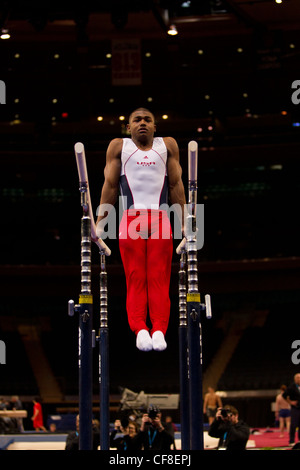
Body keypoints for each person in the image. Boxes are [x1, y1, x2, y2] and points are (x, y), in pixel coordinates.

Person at [95, 107, 186, 352]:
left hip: (160, 219)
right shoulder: (118, 147)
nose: (142, 123)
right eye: (137, 120)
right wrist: (100, 224)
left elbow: (176, 185)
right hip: (130, 220)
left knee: (159, 278)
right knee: (135, 278)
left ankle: (158, 329)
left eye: (148, 120)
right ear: (129, 127)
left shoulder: (167, 145)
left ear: (156, 127)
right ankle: (140, 329)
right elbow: (110, 186)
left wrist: (187, 222)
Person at [282, 372, 300, 445]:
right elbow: (284, 395)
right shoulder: (291, 387)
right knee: (293, 424)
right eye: (298, 378)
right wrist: (290, 402)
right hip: (295, 408)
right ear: (295, 379)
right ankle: (291, 440)